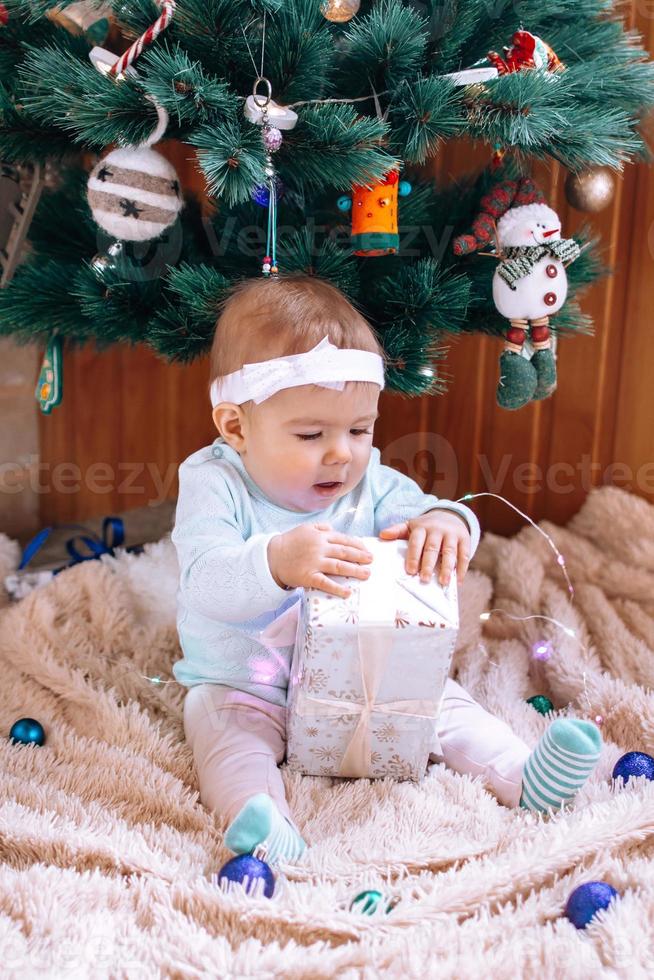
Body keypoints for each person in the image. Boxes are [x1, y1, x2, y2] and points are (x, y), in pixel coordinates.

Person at [172, 275, 602, 866]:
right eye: (311, 434)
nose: (341, 453)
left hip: (367, 676)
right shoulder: (214, 482)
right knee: (225, 737)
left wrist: (448, 524)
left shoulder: (368, 480)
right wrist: (275, 562)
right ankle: (264, 820)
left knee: (443, 707)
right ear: (236, 428)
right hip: (246, 684)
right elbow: (204, 581)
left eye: (358, 428)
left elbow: (424, 511)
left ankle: (524, 775)